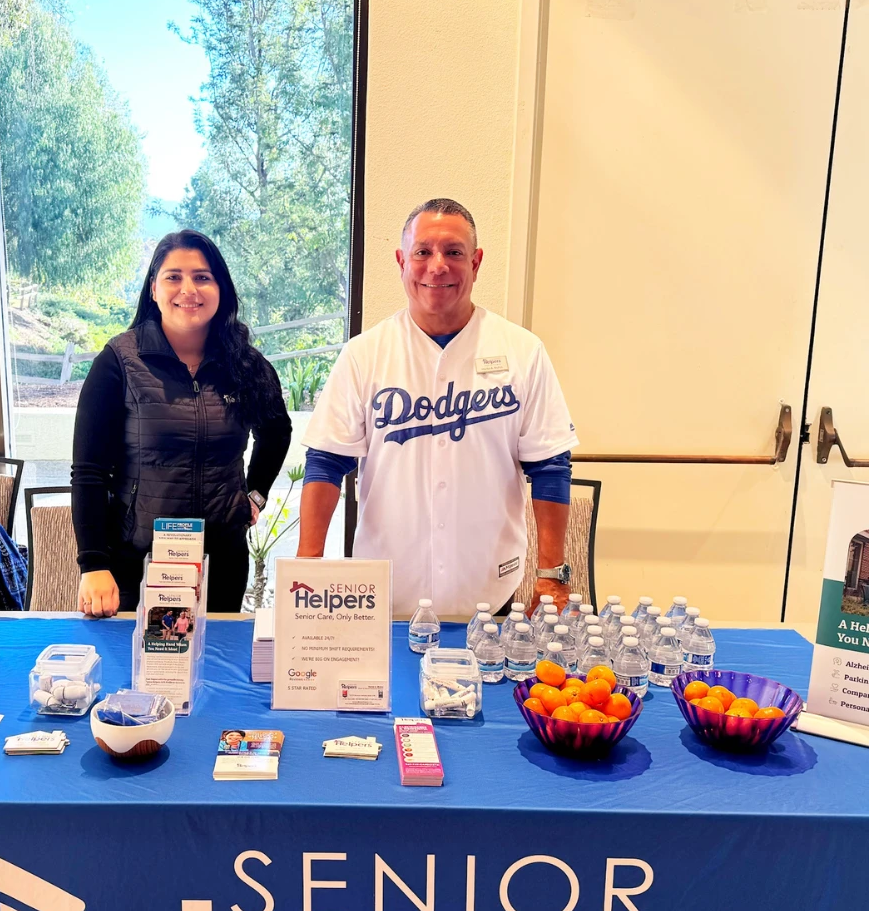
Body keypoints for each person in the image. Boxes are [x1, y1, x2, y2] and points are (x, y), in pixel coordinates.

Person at [297, 198, 577, 616]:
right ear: (401, 261)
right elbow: (326, 461)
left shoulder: (522, 351)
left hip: (491, 588)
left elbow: (550, 466)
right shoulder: (364, 354)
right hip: (381, 591)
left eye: (454, 252)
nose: (437, 266)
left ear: (477, 261)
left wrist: (552, 574)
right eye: (423, 252)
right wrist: (307, 566)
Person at [73, 230, 292, 615]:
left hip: (221, 560)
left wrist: (255, 494)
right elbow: (89, 472)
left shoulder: (245, 363)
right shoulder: (119, 361)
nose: (188, 289)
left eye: (202, 277)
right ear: (154, 289)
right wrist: (93, 564)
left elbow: (276, 431)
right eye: (173, 276)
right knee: (141, 672)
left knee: (215, 668)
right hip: (136, 562)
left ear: (220, 288)